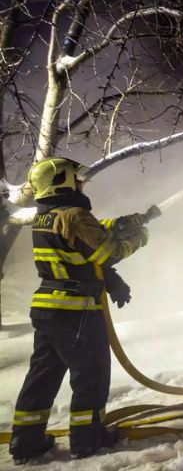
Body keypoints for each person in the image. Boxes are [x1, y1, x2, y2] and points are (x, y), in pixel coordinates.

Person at [8, 157, 150, 463]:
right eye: (76, 178)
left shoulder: (45, 216)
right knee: (91, 375)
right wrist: (137, 239)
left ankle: (26, 440)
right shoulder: (75, 214)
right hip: (78, 312)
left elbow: (82, 244)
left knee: (42, 376)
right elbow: (104, 252)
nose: (81, 182)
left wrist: (121, 223)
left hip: (48, 308)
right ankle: (88, 439)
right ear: (62, 181)